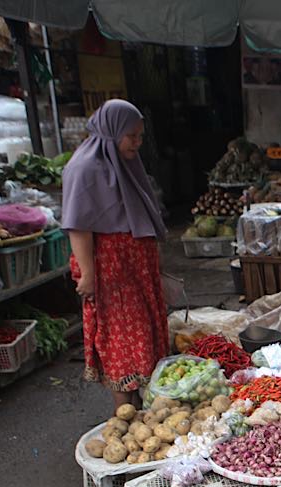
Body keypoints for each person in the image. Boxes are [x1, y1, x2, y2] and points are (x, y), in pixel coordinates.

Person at [61, 99, 169, 411]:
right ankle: (125, 415)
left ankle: (140, 409)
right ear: (112, 132)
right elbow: (78, 226)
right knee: (121, 339)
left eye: (140, 136)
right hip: (110, 271)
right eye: (131, 136)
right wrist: (88, 275)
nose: (137, 142)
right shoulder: (84, 168)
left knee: (143, 332)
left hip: (135, 270)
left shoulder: (123, 162)